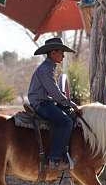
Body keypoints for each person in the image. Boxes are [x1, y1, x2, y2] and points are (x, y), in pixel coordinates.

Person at [28, 37, 81, 171]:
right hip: (40, 103)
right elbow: (55, 93)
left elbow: (54, 93)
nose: (63, 55)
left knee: (69, 116)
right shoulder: (45, 69)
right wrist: (73, 104)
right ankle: (54, 158)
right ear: (52, 53)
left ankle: (66, 152)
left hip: (45, 101)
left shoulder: (49, 67)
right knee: (66, 122)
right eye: (61, 52)